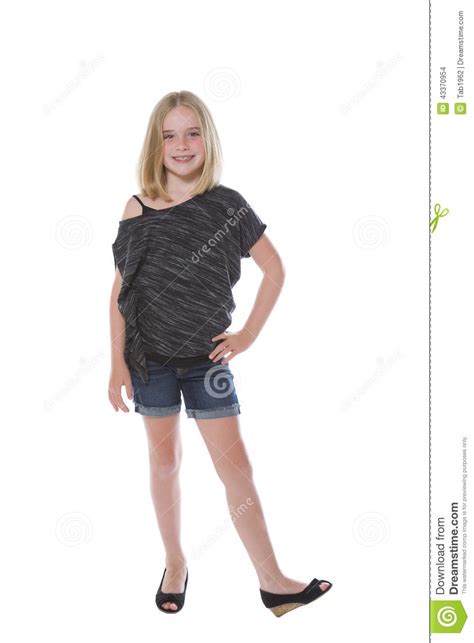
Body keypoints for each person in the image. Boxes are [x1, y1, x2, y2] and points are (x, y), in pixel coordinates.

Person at [108, 90, 332, 616]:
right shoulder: (137, 208)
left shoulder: (228, 205)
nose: (181, 145)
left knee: (236, 469)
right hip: (150, 362)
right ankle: (175, 562)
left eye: (192, 133)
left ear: (207, 140)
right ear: (155, 144)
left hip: (207, 362)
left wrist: (247, 335)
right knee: (164, 462)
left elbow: (275, 270)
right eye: (170, 135)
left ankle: (272, 580)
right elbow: (119, 291)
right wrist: (116, 361)